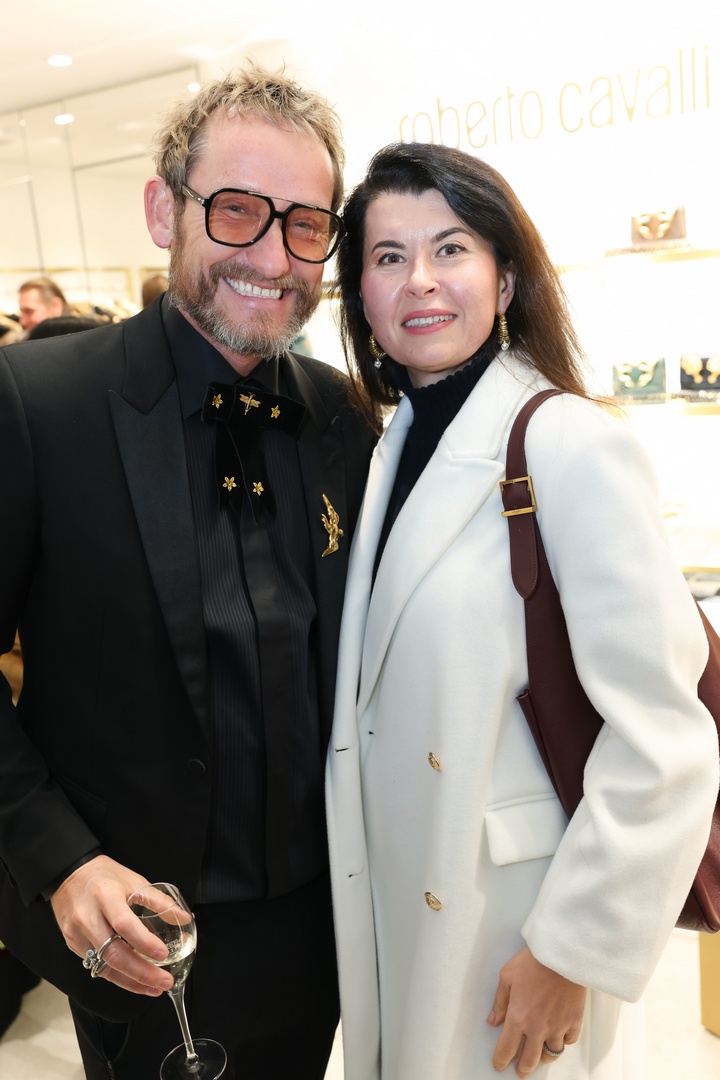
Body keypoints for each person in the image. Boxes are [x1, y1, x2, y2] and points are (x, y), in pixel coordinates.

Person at [0, 64, 375, 1080]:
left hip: (322, 931)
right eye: (238, 210)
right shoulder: (39, 403)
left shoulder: (344, 418)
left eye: (307, 225)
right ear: (165, 210)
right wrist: (58, 858)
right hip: (135, 936)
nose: (274, 257)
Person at [325, 141, 719, 1080]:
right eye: (388, 256)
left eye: (451, 248)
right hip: (403, 894)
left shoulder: (568, 442)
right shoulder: (386, 449)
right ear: (362, 297)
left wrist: (573, 951)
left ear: (504, 279)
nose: (421, 280)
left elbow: (664, 737)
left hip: (515, 922)